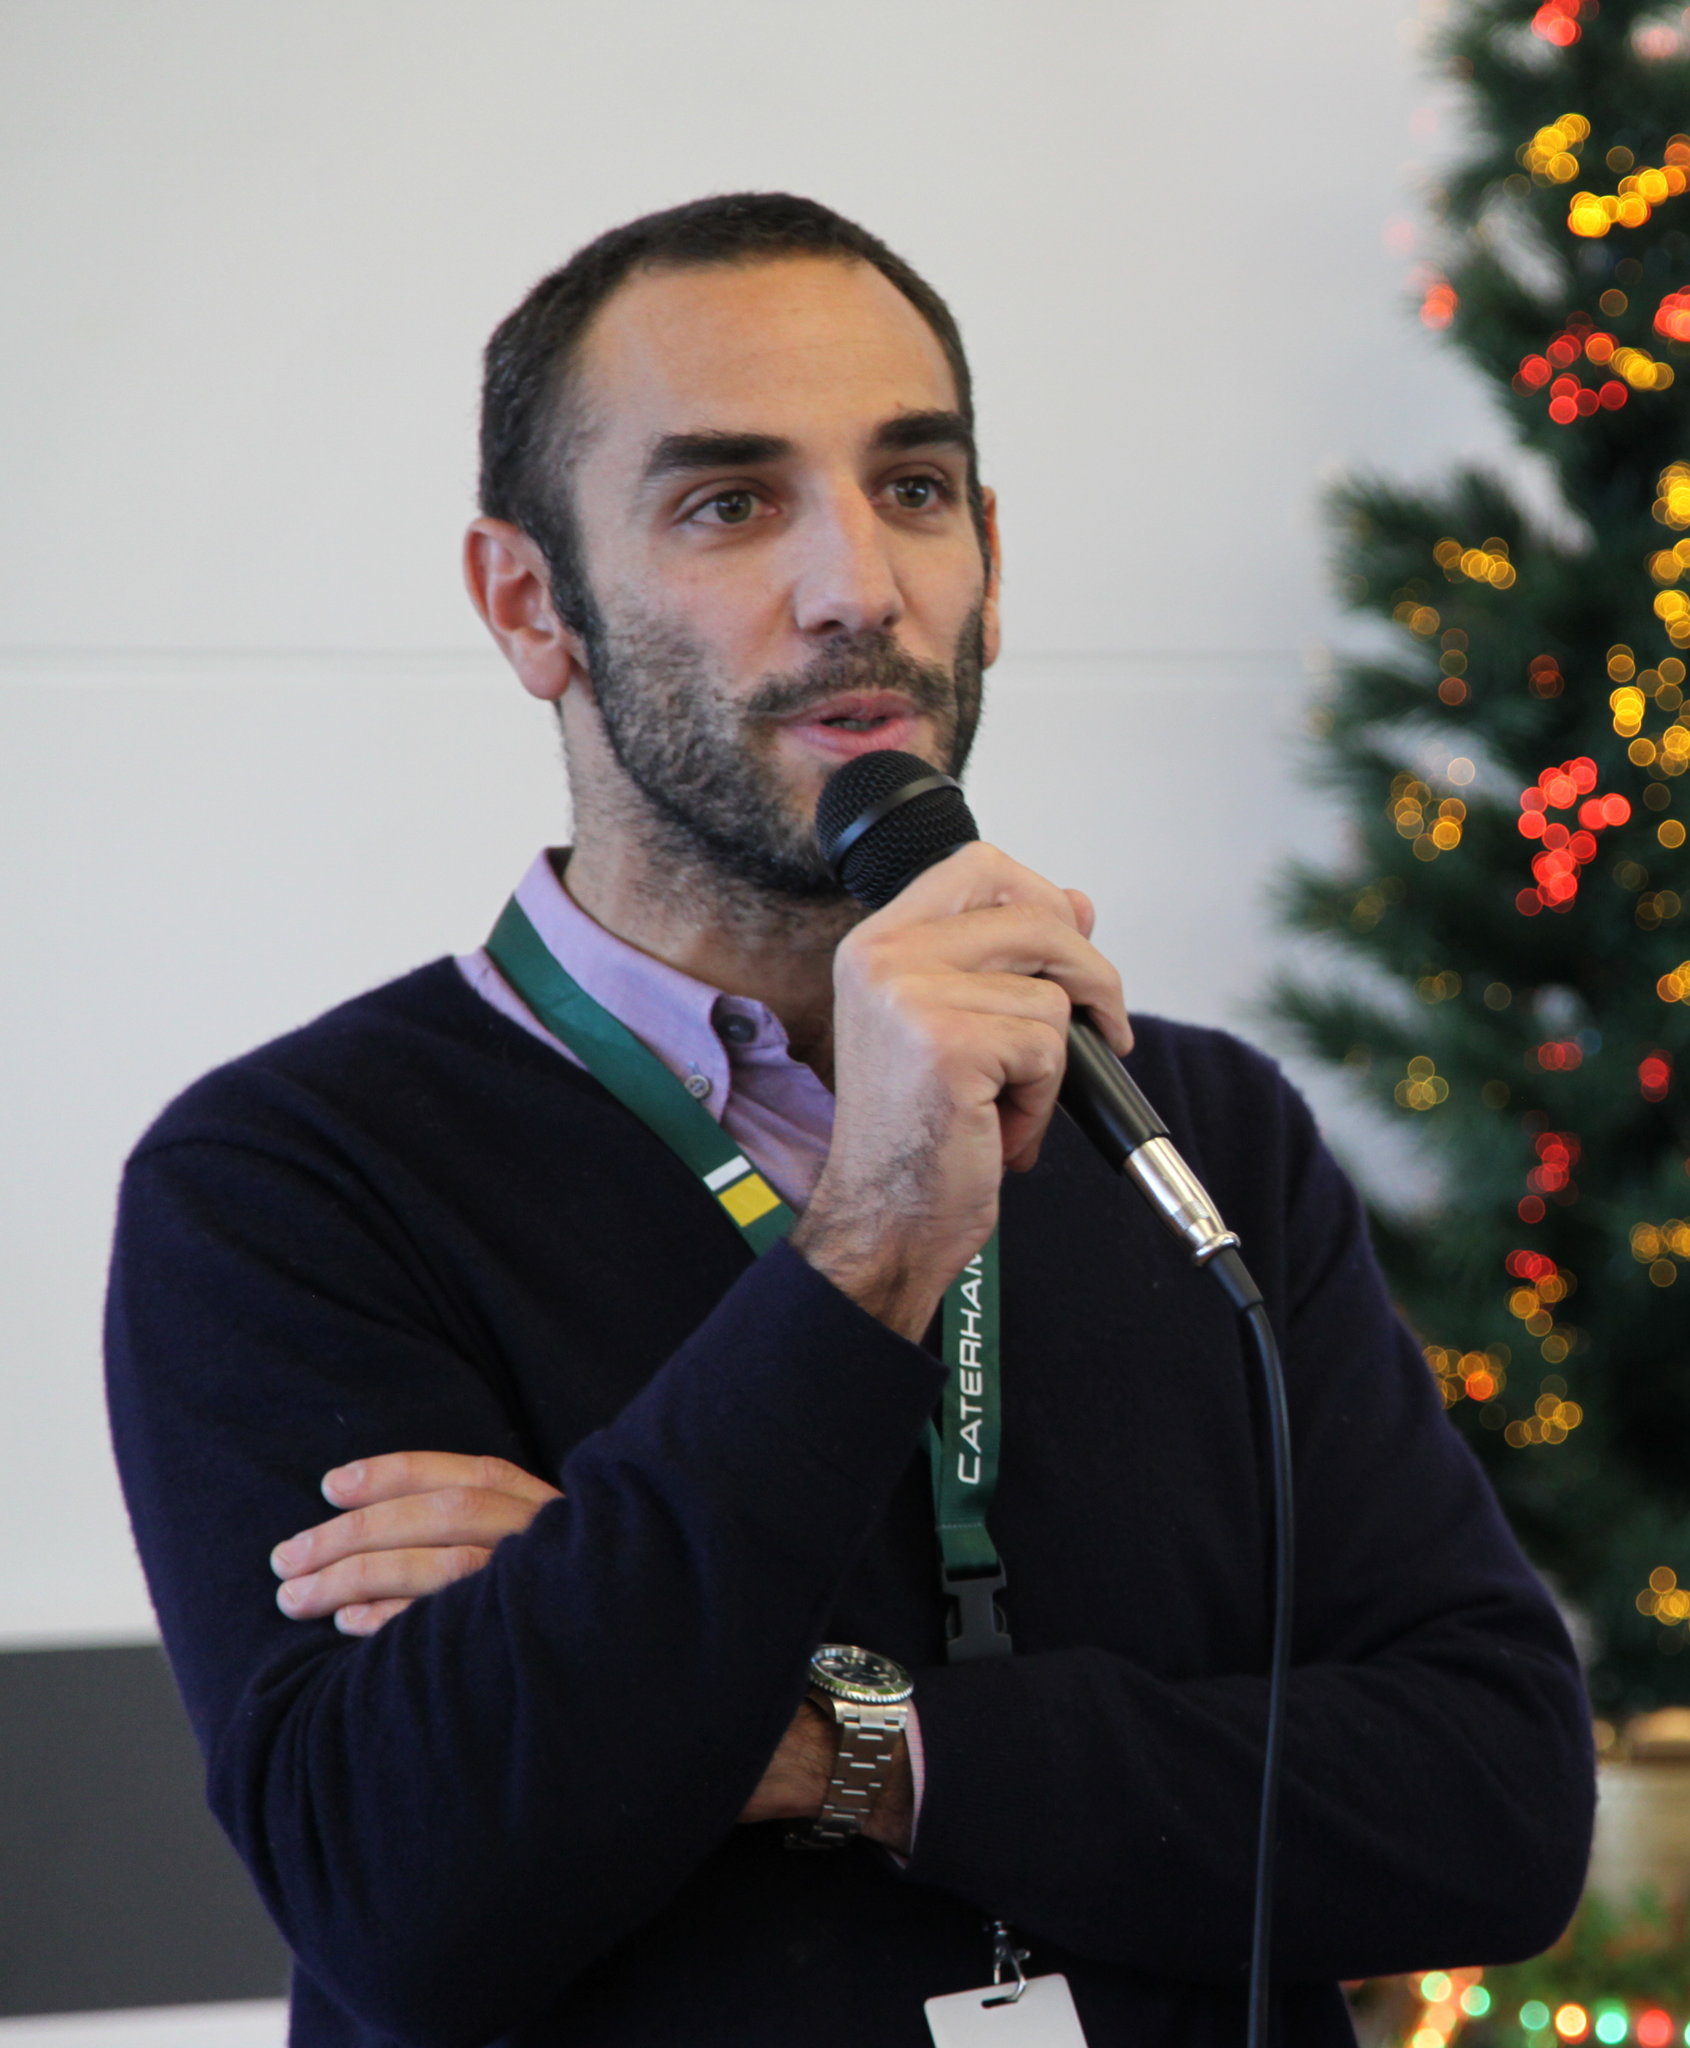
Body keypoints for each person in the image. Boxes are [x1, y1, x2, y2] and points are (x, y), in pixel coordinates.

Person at [104, 192, 1596, 2047]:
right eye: (731, 504)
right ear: (530, 604)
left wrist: (826, 1744)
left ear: (992, 556)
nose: (857, 586)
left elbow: (1495, 1808)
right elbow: (408, 1893)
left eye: (914, 487)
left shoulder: (1192, 1122)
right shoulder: (288, 1182)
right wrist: (874, 1232)